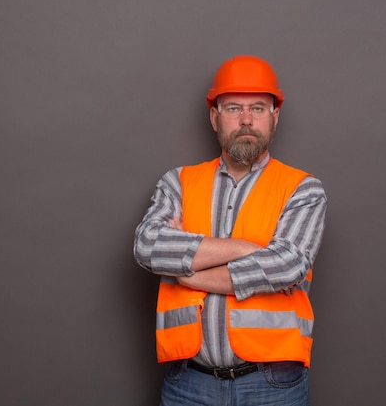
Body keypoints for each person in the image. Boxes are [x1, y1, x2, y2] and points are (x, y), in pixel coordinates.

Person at [133, 55, 327, 406]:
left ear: (275, 116)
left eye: (258, 108)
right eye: (234, 107)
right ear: (214, 116)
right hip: (188, 383)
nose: (247, 119)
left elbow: (288, 265)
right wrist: (244, 248)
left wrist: (188, 274)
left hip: (273, 385)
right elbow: (148, 246)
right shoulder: (178, 182)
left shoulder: (302, 188)